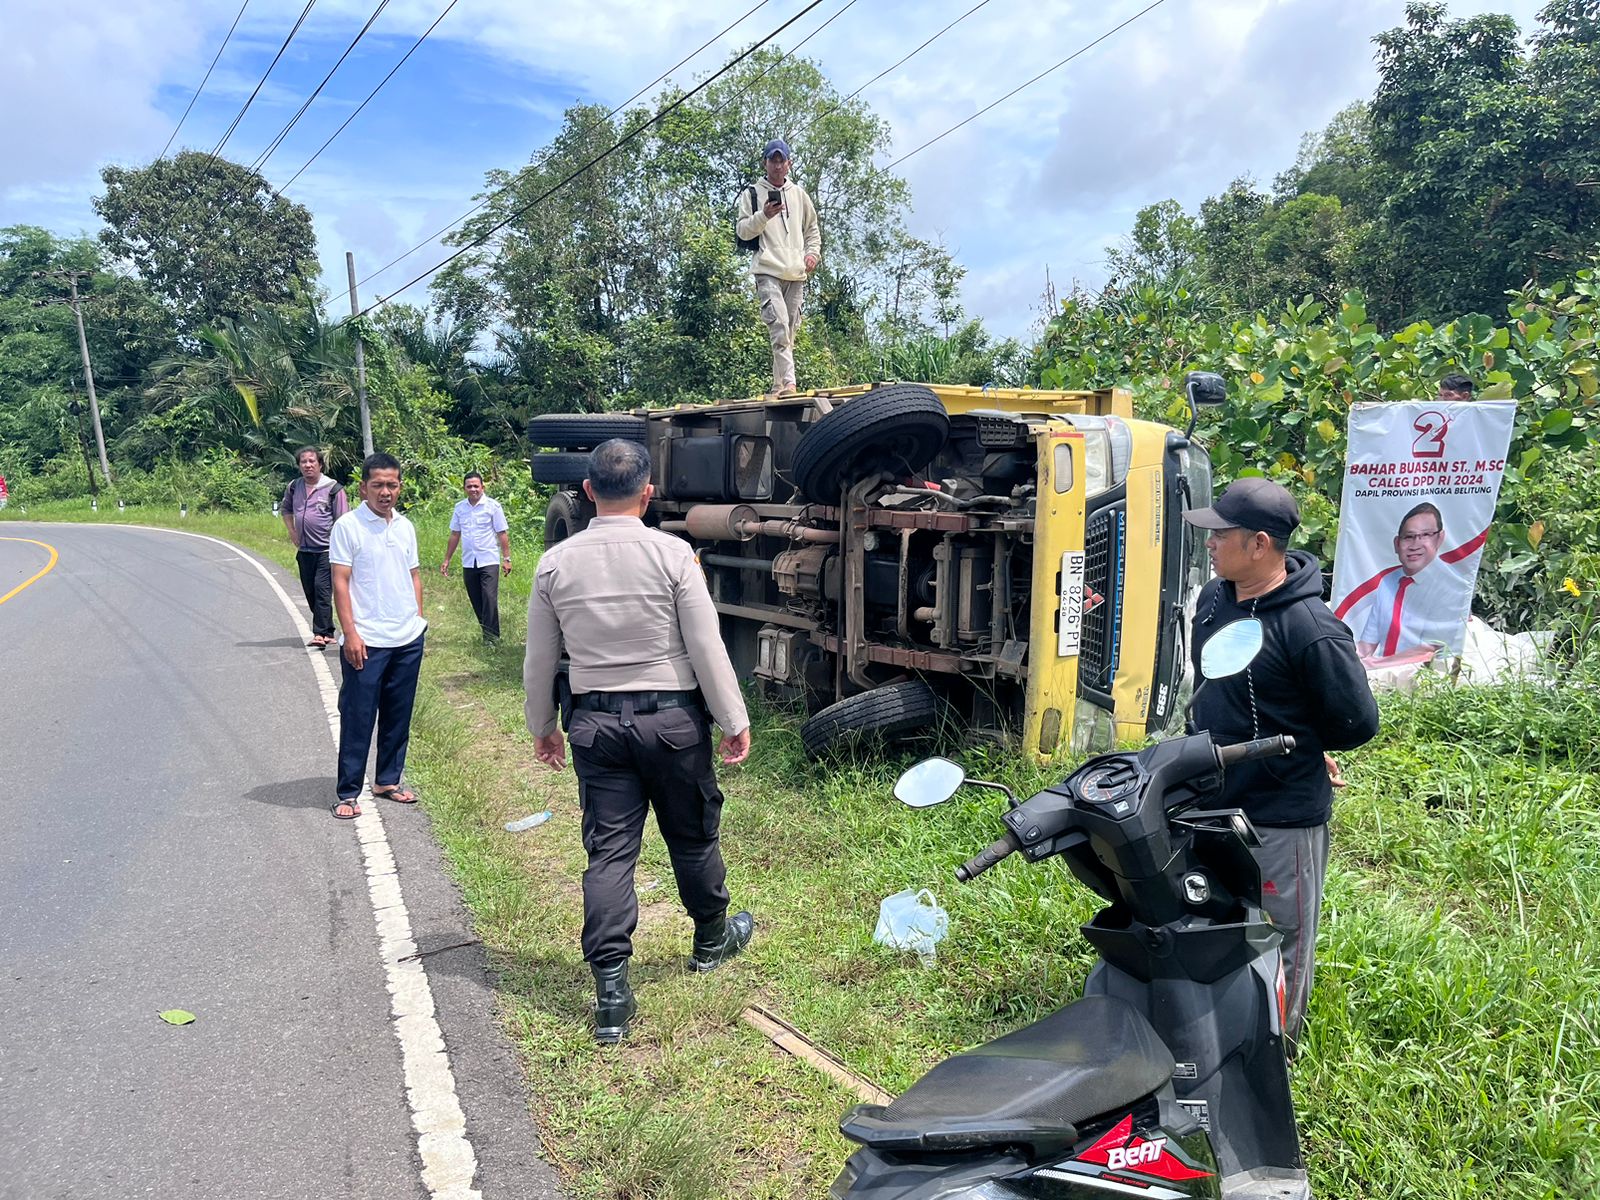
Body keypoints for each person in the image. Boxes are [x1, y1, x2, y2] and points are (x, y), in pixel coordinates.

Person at [523, 438, 754, 1044]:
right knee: (693, 833)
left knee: (610, 851)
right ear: (648, 493)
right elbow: (707, 646)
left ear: (589, 492)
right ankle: (710, 940)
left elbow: (541, 657)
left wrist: (542, 725)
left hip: (595, 726)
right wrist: (733, 718)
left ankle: (611, 991)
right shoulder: (675, 556)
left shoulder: (555, 563)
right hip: (673, 723)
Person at [1184, 478, 1379, 1045]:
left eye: (1222, 536)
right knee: (1216, 921)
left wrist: (1312, 749)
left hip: (1278, 814)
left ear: (1260, 544)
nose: (1210, 545)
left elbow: (1357, 721)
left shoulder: (1310, 628)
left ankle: (1276, 1055)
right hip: (1211, 798)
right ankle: (1217, 1033)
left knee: (1283, 937)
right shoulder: (1214, 599)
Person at [327, 453, 427, 821]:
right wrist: (350, 633)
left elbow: (414, 574)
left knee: (398, 714)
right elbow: (340, 581)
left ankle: (388, 780)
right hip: (366, 640)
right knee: (358, 715)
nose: (386, 492)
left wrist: (418, 621)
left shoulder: (405, 527)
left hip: (406, 637)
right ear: (363, 487)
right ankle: (349, 790)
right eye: (378, 485)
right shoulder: (349, 526)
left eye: (392, 485)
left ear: (400, 486)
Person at [734, 137, 821, 396]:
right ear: (765, 163)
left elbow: (812, 229)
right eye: (772, 160)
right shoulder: (752, 193)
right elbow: (742, 230)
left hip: (795, 272)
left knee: (789, 333)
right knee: (779, 326)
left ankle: (778, 386)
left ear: (789, 164)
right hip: (767, 270)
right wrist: (764, 215)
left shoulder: (799, 195)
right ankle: (790, 383)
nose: (777, 165)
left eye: (781, 160)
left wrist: (812, 254)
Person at [1356, 502, 1463, 661]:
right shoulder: (1388, 582)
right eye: (1409, 537)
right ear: (1397, 544)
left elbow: (1431, 651)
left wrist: (1376, 665)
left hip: (1426, 675)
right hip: (1382, 673)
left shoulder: (1451, 584)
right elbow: (1367, 645)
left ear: (1440, 539)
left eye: (1425, 535)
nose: (1415, 545)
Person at [281, 446, 349, 647]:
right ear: (299, 465)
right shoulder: (294, 487)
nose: (308, 465)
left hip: (326, 550)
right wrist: (292, 531)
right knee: (310, 590)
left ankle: (320, 634)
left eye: (312, 461)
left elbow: (343, 520)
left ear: (320, 464)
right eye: (304, 462)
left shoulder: (333, 488)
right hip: (304, 550)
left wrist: (340, 547)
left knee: (322, 589)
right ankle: (326, 630)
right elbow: (286, 509)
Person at [440, 471, 511, 643]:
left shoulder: (493, 507)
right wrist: (447, 559)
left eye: (476, 486)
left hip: (489, 560)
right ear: (464, 488)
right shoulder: (460, 508)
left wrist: (507, 559)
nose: (473, 489)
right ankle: (486, 633)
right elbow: (455, 534)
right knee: (476, 599)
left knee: (489, 598)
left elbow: (502, 533)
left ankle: (492, 639)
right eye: (469, 486)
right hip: (469, 561)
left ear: (482, 487)